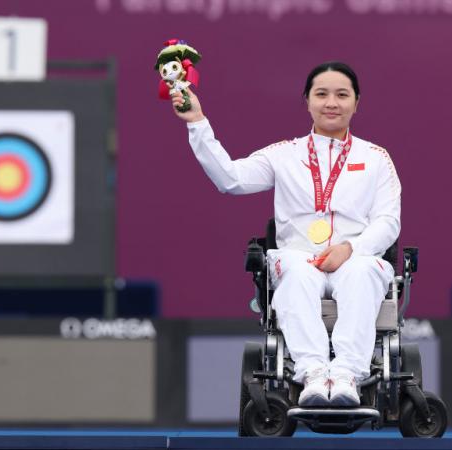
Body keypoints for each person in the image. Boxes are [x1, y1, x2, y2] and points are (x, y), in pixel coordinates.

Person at [169, 61, 401, 407]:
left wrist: (351, 248)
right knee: (295, 268)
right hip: (299, 258)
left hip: (356, 259)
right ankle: (311, 375)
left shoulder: (376, 158)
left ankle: (346, 377)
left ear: (357, 102)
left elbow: (388, 222)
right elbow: (230, 179)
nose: (331, 103)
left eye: (342, 94)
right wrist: (197, 124)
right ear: (306, 101)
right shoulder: (284, 155)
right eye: (321, 94)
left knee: (363, 271)